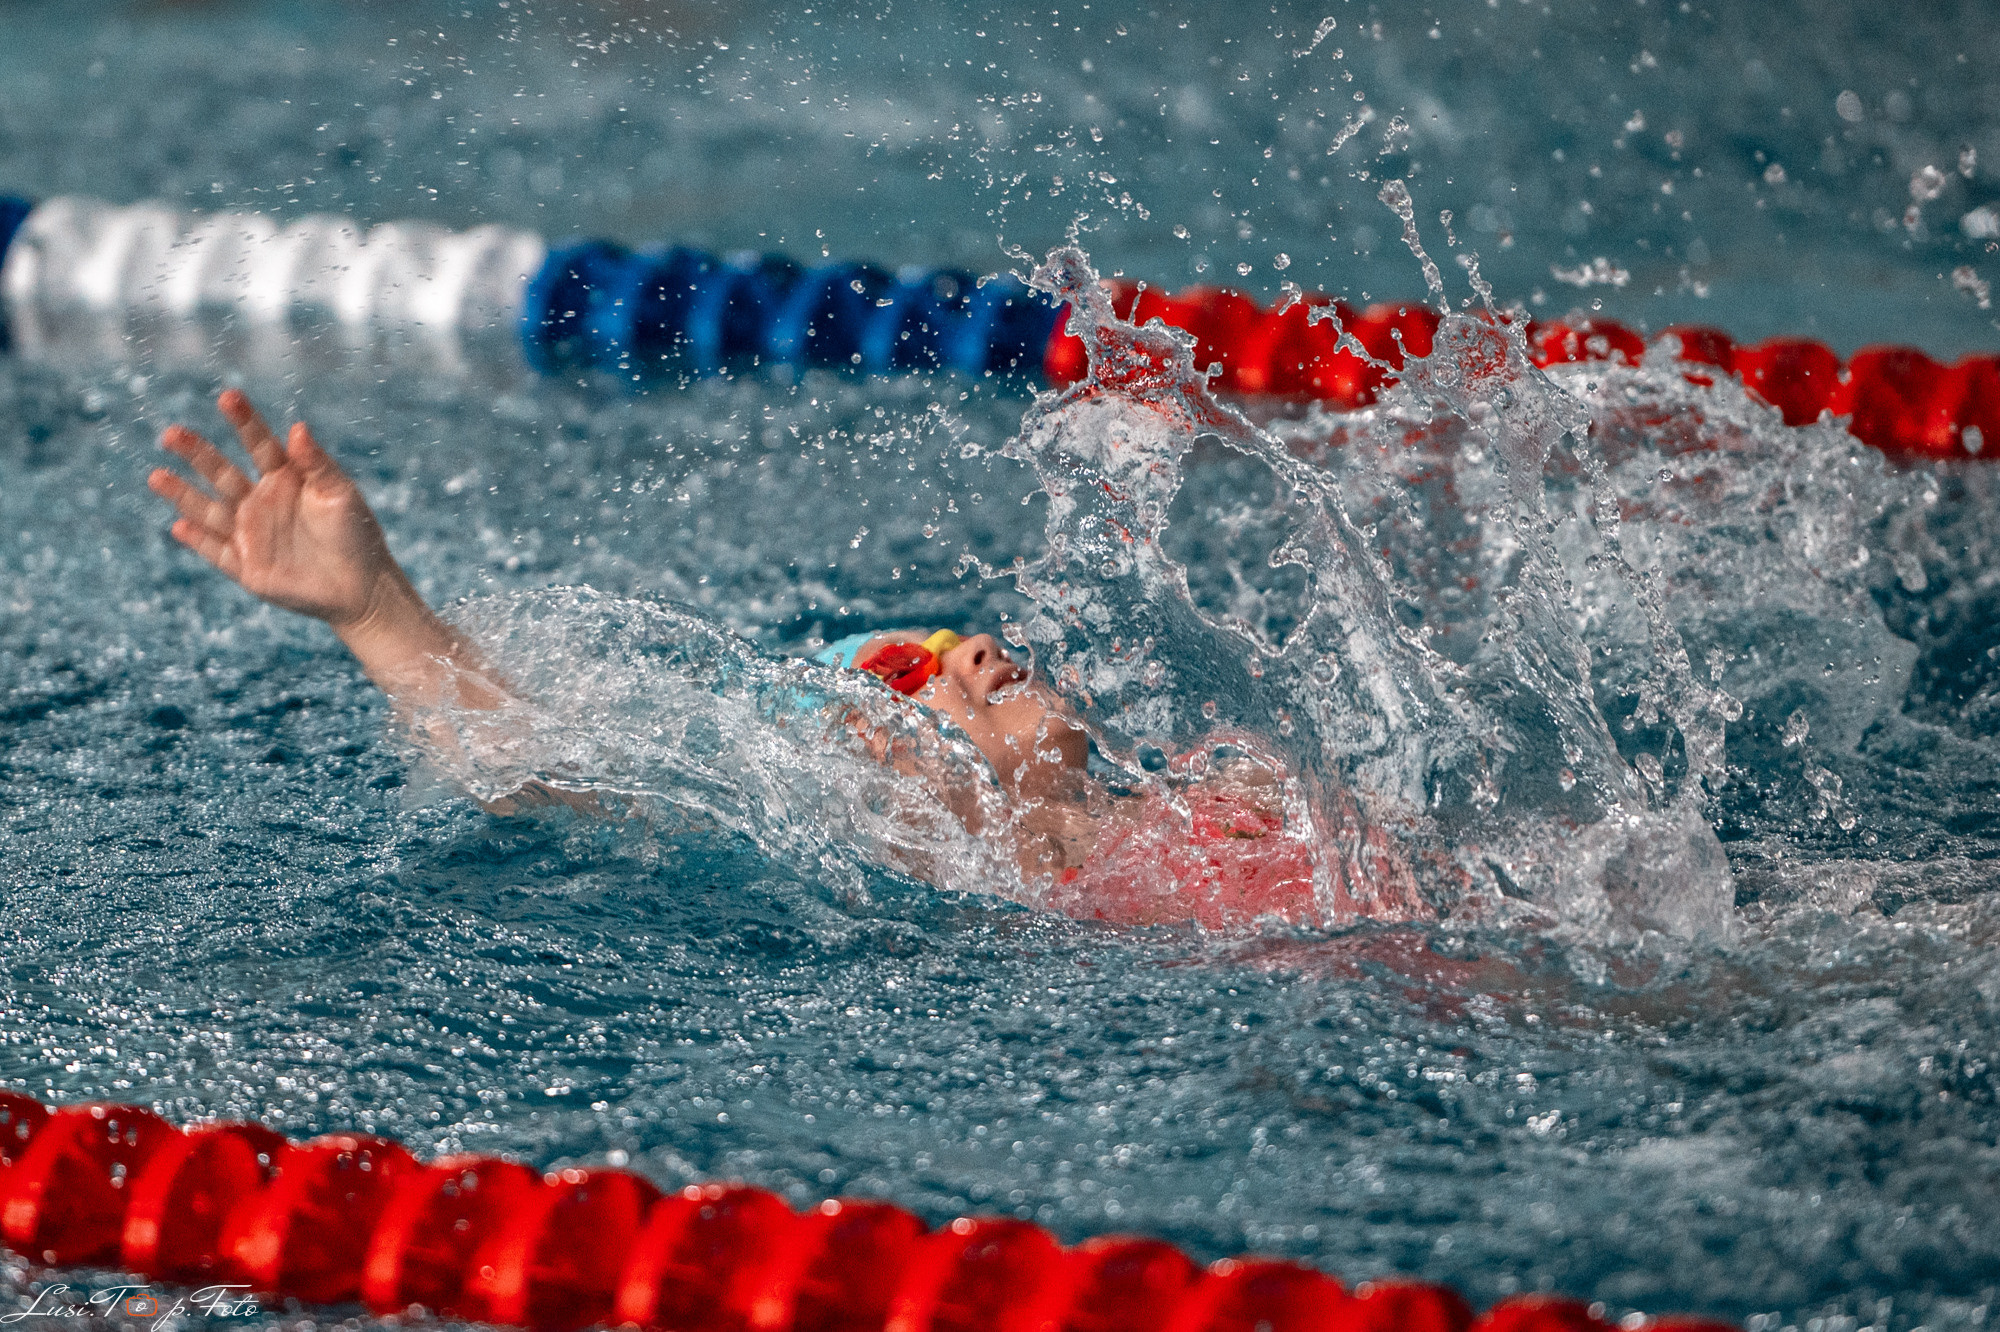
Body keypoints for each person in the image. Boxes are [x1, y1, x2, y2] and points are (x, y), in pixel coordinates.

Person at [149, 392, 1322, 926]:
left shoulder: (1227, 783)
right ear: (879, 768)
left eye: (949, 642)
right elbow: (536, 767)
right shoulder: (1012, 902)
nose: (974, 650)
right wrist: (373, 608)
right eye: (910, 674)